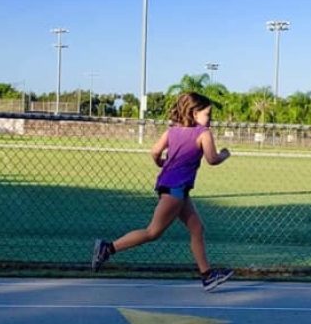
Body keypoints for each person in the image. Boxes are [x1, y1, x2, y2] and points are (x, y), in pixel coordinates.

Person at [92, 91, 233, 291]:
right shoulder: (203, 133)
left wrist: (161, 162)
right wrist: (225, 154)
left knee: (197, 229)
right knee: (153, 232)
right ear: (194, 114)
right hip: (175, 191)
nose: (210, 119)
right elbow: (212, 159)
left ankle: (207, 275)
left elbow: (155, 152)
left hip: (172, 188)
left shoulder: (172, 131)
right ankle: (108, 248)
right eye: (208, 114)